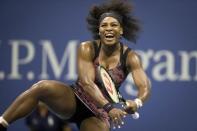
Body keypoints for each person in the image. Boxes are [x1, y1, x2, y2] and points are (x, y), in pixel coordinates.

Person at [0, 0, 151, 131]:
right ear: (99, 31)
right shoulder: (87, 48)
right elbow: (86, 83)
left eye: (114, 25)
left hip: (97, 115)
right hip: (74, 99)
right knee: (42, 87)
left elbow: (144, 87)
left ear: (121, 30)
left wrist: (137, 102)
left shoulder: (131, 57)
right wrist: (109, 107)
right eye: (104, 25)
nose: (109, 28)